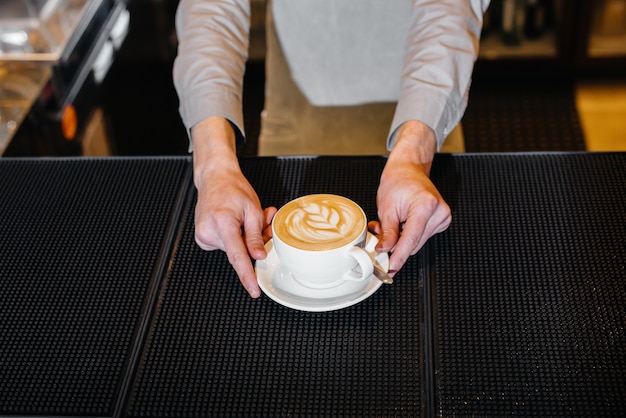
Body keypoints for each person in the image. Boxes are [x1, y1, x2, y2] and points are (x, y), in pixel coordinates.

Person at [174, 0, 490, 298]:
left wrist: (416, 154)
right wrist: (213, 165)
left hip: (426, 122)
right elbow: (211, 8)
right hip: (295, 114)